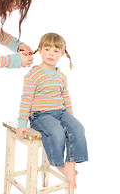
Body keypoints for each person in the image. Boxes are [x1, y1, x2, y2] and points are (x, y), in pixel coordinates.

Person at [16, 32, 88, 189]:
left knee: (78, 128)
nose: (51, 54)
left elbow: (66, 99)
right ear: (40, 50)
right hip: (41, 115)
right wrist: (21, 123)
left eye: (56, 51)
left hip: (60, 112)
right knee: (57, 132)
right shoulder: (34, 74)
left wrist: (71, 119)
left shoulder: (61, 76)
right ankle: (60, 165)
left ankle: (71, 165)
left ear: (62, 54)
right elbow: (26, 99)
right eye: (47, 49)